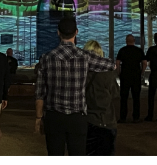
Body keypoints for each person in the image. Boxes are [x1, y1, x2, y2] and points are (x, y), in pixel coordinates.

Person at [34, 15, 119, 155]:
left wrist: (38, 118)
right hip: (77, 117)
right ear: (76, 32)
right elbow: (111, 65)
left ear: (58, 33)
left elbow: (40, 93)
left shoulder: (46, 58)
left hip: (54, 117)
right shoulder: (85, 57)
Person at [83, 40, 119, 155]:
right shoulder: (108, 73)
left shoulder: (82, 73)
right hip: (107, 121)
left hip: (89, 119)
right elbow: (115, 94)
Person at [115, 34, 146, 123]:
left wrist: (119, 73)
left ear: (126, 41)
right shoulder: (139, 50)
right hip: (136, 75)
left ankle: (123, 117)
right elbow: (144, 63)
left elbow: (117, 63)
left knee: (124, 97)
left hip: (125, 75)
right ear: (134, 41)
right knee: (136, 97)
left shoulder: (122, 50)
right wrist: (142, 72)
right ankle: (136, 117)